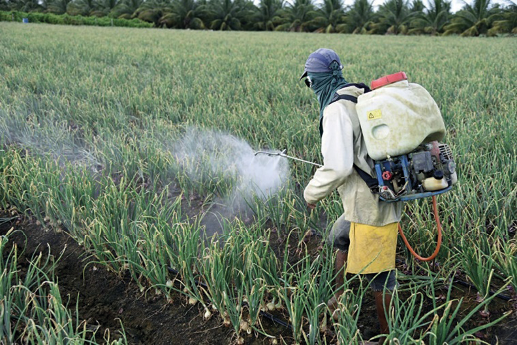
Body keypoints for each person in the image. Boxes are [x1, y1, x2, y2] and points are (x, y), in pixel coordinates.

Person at [300, 48, 403, 344]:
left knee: (380, 274)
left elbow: (338, 167)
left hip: (372, 203)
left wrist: (311, 193)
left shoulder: (336, 110)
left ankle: (390, 334)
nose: (311, 88)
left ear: (318, 80)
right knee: (338, 237)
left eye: (310, 82)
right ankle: (337, 299)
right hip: (370, 195)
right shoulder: (360, 95)